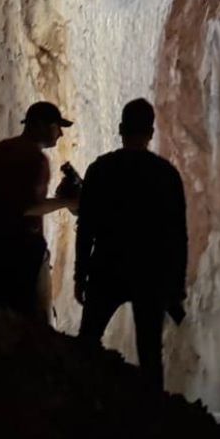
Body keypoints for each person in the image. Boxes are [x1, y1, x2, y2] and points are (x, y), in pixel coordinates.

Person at [74, 99, 187, 390]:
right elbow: (177, 236)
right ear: (151, 132)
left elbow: (85, 227)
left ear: (121, 129)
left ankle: (82, 406)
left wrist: (80, 274)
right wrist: (176, 287)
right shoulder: (166, 174)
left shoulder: (100, 170)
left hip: (107, 267)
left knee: (87, 342)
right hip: (151, 274)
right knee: (150, 354)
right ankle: (154, 422)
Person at [0, 100, 78, 323]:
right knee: (33, 330)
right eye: (56, 126)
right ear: (40, 125)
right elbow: (28, 208)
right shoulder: (36, 160)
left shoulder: (1, 149)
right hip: (22, 253)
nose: (61, 133)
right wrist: (66, 202)